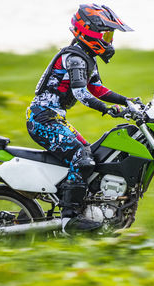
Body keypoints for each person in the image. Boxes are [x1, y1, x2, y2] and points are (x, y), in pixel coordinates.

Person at [26, 4, 134, 234]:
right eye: (107, 34)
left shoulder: (86, 57)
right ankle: (69, 220)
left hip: (55, 119)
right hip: (43, 119)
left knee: (91, 155)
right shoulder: (74, 58)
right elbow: (81, 94)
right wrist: (109, 110)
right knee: (81, 157)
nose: (110, 40)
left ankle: (83, 206)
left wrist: (129, 101)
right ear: (90, 32)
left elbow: (97, 89)